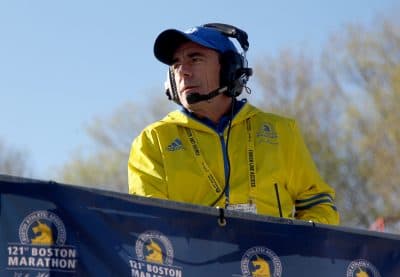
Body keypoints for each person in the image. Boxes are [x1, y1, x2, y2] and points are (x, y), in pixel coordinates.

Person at [128, 23, 339, 225]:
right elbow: (149, 223)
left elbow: (318, 204)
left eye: (195, 59)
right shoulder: (153, 140)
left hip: (273, 259)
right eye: (176, 64)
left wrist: (299, 245)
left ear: (230, 69)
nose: (183, 71)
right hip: (194, 260)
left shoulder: (281, 131)